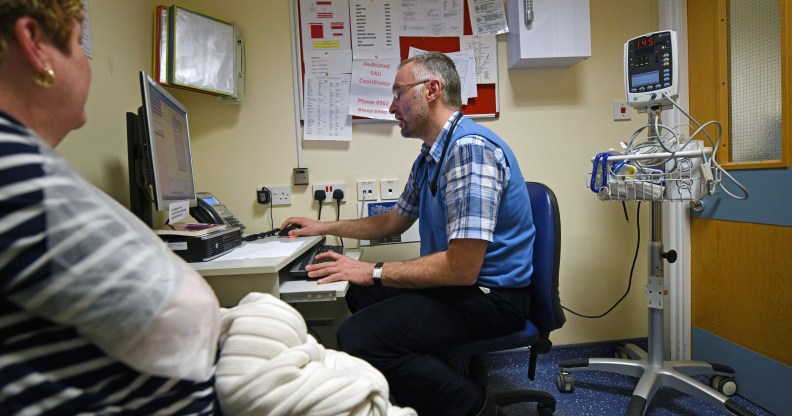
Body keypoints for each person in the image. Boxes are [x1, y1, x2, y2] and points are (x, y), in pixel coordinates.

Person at [281, 52, 537, 416]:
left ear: (432, 90)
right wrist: (324, 227)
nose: (391, 107)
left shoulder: (469, 151)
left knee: (358, 335)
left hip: (493, 297)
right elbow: (391, 222)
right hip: (463, 286)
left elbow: (462, 268)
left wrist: (372, 270)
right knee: (360, 292)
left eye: (398, 93)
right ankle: (432, 384)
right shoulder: (431, 155)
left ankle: (480, 410)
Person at [0, 1, 222, 414]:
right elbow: (186, 318)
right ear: (33, 43)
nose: (87, 65)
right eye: (76, 45)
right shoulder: (11, 167)